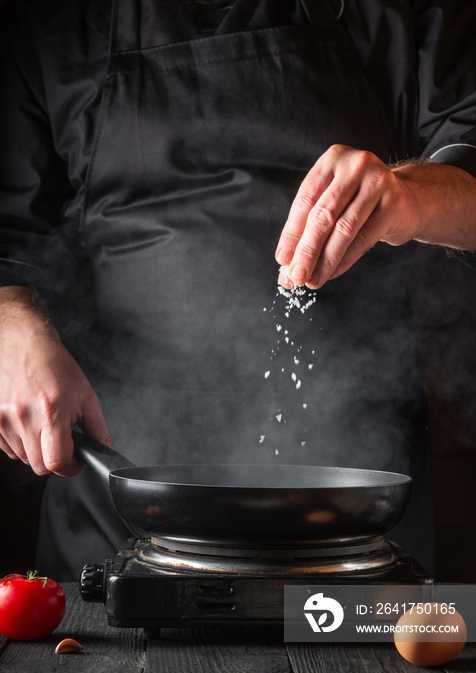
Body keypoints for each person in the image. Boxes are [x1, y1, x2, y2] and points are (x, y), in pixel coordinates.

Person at [1, 0, 476, 580]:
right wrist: (10, 324)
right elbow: (10, 238)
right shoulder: (50, 23)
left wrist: (413, 193)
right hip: (119, 494)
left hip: (355, 515)